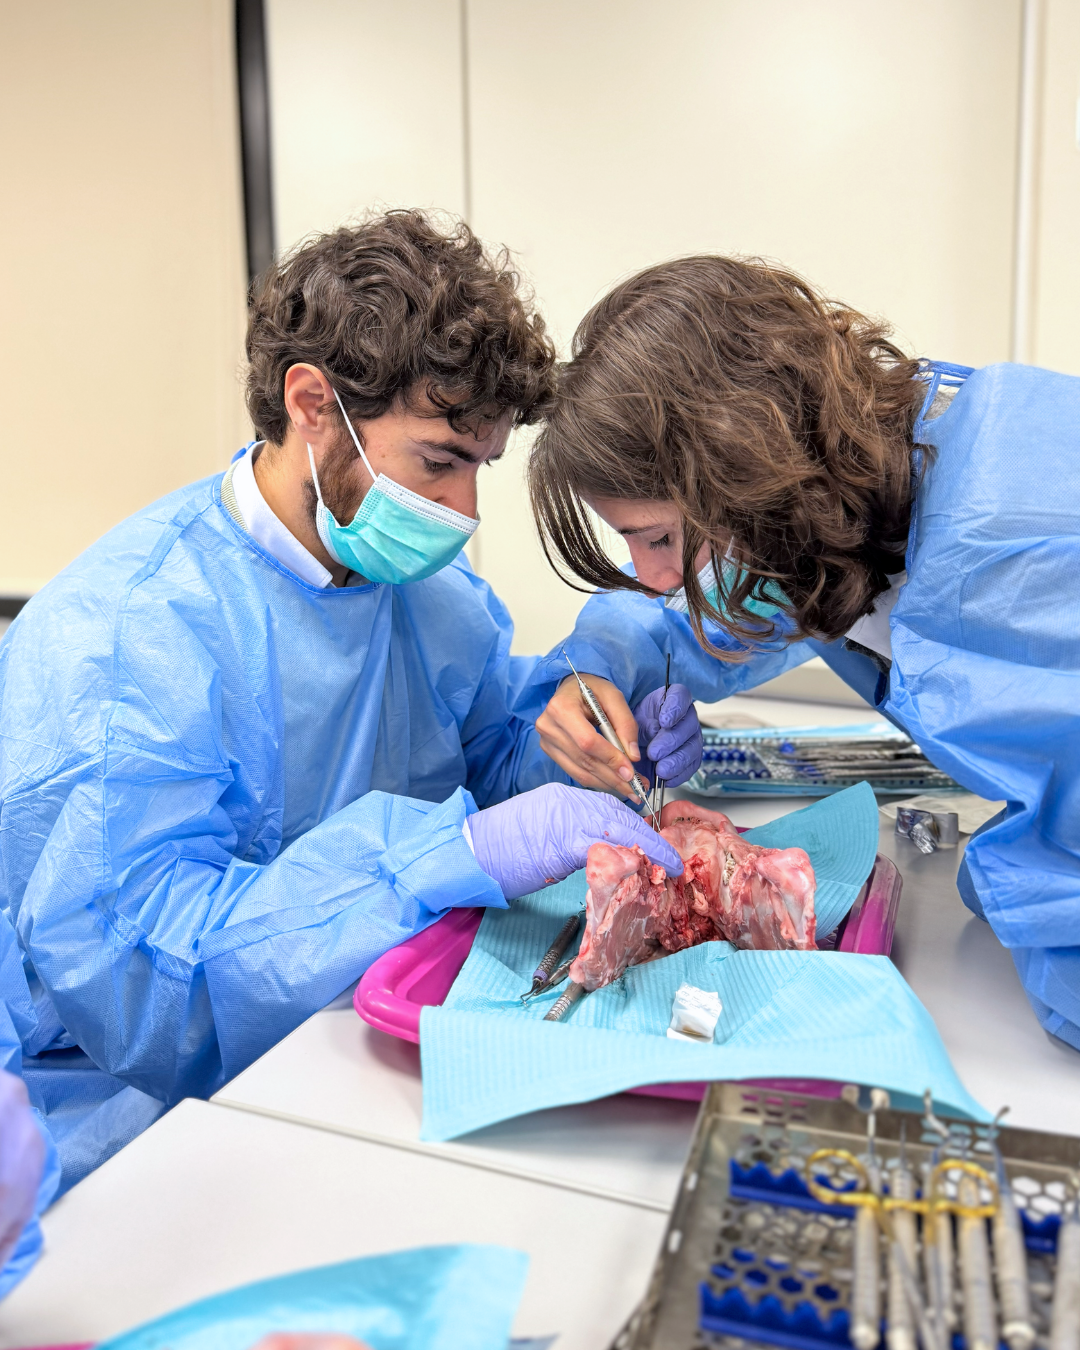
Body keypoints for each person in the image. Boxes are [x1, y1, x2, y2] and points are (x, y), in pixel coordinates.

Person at [0, 211, 683, 1193]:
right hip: (130, 1114)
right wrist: (434, 859)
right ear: (312, 403)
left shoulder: (423, 597)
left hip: (361, 1040)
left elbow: (485, 746)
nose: (464, 512)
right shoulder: (123, 641)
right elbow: (144, 987)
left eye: (479, 468)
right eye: (438, 461)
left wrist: (573, 741)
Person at [525, 254, 1080, 1049]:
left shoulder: (999, 567)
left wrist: (1026, 893)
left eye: (660, 538)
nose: (651, 578)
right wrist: (600, 672)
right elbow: (681, 624)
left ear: (751, 469)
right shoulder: (859, 488)